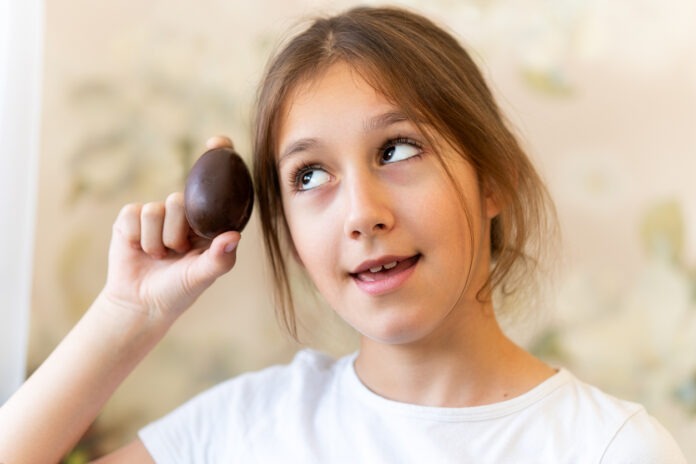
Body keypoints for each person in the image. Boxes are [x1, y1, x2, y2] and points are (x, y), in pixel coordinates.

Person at [0, 6, 687, 463]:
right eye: (309, 176)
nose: (362, 211)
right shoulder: (245, 430)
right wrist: (126, 317)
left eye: (396, 150)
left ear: (494, 178)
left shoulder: (608, 448)